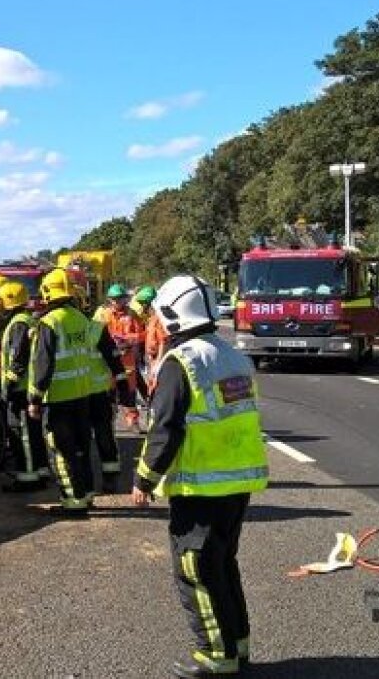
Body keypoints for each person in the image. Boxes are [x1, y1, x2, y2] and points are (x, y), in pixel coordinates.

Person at [132, 274, 268, 678]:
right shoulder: (233, 355)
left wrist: (144, 479)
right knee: (223, 566)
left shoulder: (182, 362)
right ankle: (237, 645)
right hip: (237, 484)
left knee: (196, 572)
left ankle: (216, 656)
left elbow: (165, 428)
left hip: (201, 486)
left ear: (173, 316)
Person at [28, 270, 97, 515]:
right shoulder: (80, 318)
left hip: (57, 398)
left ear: (48, 292)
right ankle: (87, 494)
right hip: (82, 393)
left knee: (61, 451)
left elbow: (42, 364)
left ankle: (72, 502)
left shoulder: (50, 322)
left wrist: (34, 398)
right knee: (81, 448)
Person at [0, 281, 49, 491]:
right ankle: (41, 470)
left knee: (23, 434)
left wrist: (7, 385)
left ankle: (28, 478)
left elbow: (17, 358)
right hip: (27, 387)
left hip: (20, 389)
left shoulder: (18, 324)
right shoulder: (25, 320)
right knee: (34, 433)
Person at [84, 298, 132, 492]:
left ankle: (85, 483)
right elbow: (115, 361)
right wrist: (123, 388)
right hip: (100, 392)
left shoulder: (58, 327)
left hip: (76, 394)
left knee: (82, 439)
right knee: (104, 435)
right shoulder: (97, 328)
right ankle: (110, 476)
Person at [105, 285, 146, 429]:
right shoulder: (105, 315)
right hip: (109, 361)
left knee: (129, 392)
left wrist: (126, 339)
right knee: (110, 392)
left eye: (122, 299)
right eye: (116, 300)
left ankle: (133, 421)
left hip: (127, 360)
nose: (120, 302)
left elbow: (143, 335)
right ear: (110, 300)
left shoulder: (132, 314)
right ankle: (108, 421)